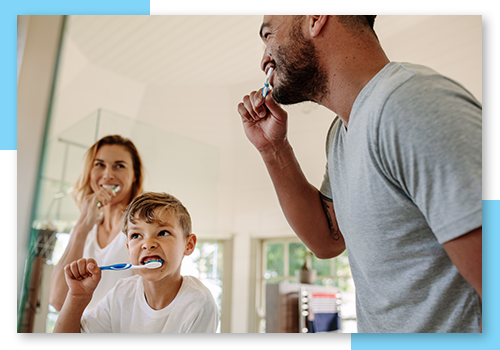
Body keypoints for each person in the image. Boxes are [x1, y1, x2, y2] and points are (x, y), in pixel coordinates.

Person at [237, 15, 482, 333]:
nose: (264, 59)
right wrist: (273, 149)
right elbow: (327, 240)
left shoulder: (412, 105)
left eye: (268, 35)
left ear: (315, 19)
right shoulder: (341, 133)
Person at [53, 192, 219, 333]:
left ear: (188, 245)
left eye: (163, 232)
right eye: (136, 235)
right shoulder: (121, 294)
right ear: (128, 248)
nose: (148, 243)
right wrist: (77, 296)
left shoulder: (198, 303)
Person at [50, 135, 145, 312]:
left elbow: (142, 304)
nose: (108, 175)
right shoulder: (84, 230)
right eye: (99, 165)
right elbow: (57, 300)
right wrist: (81, 228)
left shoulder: (141, 229)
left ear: (134, 176)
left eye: (119, 166)